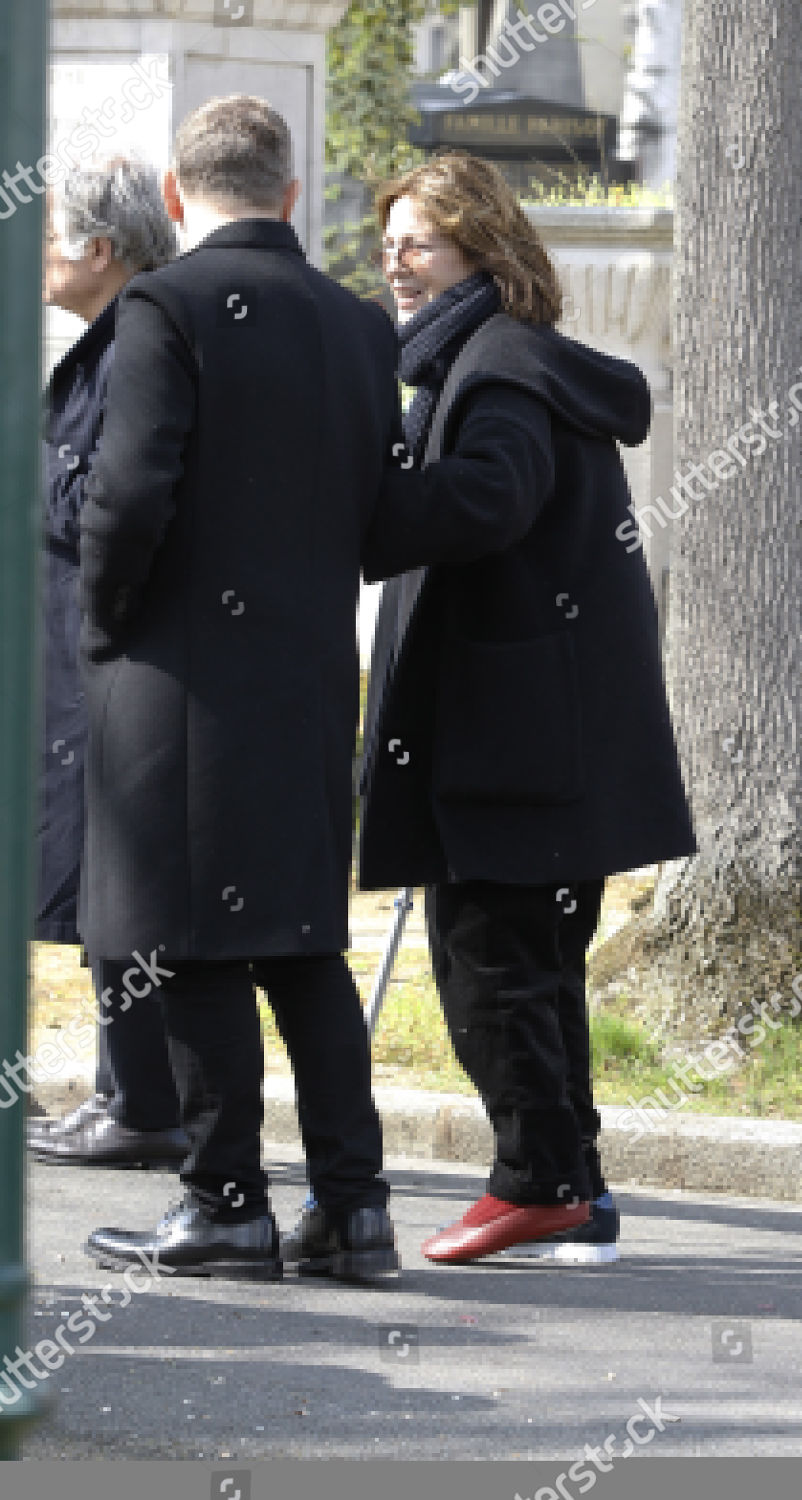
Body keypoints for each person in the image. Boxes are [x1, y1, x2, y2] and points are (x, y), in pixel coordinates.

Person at [79, 96, 401, 1283]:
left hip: (181, 677)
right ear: (292, 194)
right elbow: (381, 511)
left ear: (175, 195)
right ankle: (354, 1210)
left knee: (188, 948)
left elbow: (128, 494)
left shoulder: (165, 303)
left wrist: (105, 626)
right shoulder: (362, 325)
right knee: (302, 944)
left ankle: (224, 1204)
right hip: (310, 674)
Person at [360, 152, 696, 1265]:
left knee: (488, 967)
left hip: (516, 742)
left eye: (419, 242)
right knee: (531, 968)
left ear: (480, 252)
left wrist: (366, 500)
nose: (395, 263)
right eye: (390, 240)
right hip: (540, 736)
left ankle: (536, 1183)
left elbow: (490, 498)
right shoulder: (499, 360)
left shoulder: (495, 370)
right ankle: (576, 1192)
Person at [31, 160, 187, 1169]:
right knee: (102, 884)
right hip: (91, 656)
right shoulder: (119, 340)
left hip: (112, 656)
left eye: (47, 234)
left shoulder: (137, 346)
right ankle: (125, 1088)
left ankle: (143, 1100)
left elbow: (104, 506)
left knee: (118, 883)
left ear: (98, 249)